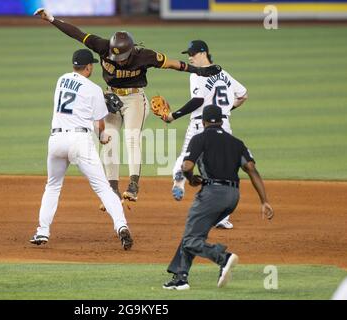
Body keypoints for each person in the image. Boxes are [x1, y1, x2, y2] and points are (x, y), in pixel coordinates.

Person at [34, 8, 222, 204]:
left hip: (134, 99)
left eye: (122, 56)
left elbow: (175, 64)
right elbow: (77, 34)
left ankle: (133, 185)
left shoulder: (145, 56)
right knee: (109, 140)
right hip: (111, 97)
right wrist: (52, 19)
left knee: (132, 138)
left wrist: (200, 71)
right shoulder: (103, 46)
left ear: (130, 50)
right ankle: (112, 189)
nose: (119, 60)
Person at [29, 49, 133, 250]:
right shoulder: (93, 89)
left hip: (56, 140)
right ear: (89, 67)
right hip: (79, 141)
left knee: (52, 187)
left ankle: (42, 231)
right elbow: (100, 123)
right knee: (103, 187)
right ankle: (121, 227)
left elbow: (77, 102)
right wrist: (102, 137)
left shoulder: (61, 80)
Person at [163, 105, 274, 290]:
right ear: (222, 121)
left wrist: (191, 180)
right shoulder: (236, 142)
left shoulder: (199, 138)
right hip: (233, 196)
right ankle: (180, 277)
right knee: (194, 233)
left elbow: (187, 166)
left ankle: (223, 258)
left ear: (203, 121)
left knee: (191, 239)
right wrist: (264, 201)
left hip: (212, 194)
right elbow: (251, 169)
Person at [162, 40, 248, 229]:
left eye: (192, 54)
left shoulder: (196, 74)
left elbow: (197, 100)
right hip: (224, 124)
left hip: (200, 124)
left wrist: (173, 116)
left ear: (203, 53)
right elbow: (243, 95)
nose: (190, 58)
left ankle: (179, 180)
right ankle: (222, 218)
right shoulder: (223, 73)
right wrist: (226, 109)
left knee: (187, 154)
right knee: (220, 167)